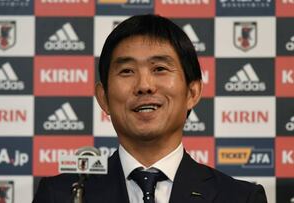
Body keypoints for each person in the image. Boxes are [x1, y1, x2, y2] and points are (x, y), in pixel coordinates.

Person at [33, 14, 268, 203]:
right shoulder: (62, 195)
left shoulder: (239, 197)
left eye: (160, 69)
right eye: (127, 71)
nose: (144, 85)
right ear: (103, 97)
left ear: (192, 92)